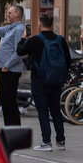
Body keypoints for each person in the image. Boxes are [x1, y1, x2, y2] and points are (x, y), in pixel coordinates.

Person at [17, 15, 71, 152]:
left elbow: (20, 51)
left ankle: (46, 142)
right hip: (56, 81)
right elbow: (68, 60)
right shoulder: (61, 40)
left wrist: (23, 38)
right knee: (56, 111)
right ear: (52, 24)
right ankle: (61, 141)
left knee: (43, 111)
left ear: (40, 24)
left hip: (40, 81)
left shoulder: (35, 40)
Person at [0, 5, 26, 126]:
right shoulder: (10, 27)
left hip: (10, 70)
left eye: (10, 13)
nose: (7, 15)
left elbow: (19, 51)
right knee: (5, 101)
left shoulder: (19, 29)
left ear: (17, 14)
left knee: (9, 101)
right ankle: (9, 127)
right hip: (4, 69)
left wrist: (7, 65)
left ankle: (14, 128)